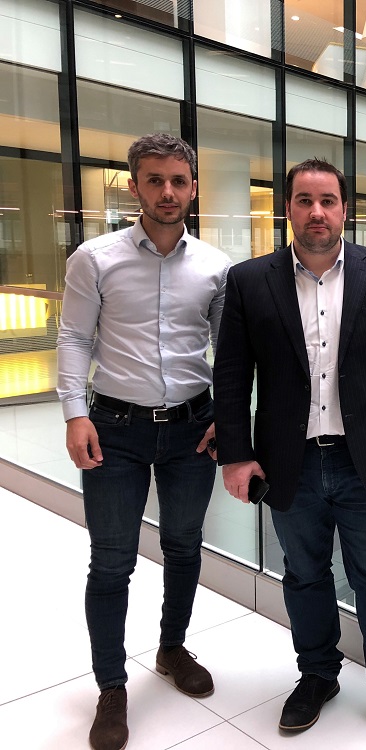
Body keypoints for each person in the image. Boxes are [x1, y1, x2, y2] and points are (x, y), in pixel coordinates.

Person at [212, 159, 366, 750]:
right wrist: (235, 456)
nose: (317, 212)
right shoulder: (250, 280)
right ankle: (317, 677)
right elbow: (231, 375)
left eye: (328, 200)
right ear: (288, 207)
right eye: (305, 200)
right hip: (291, 461)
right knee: (304, 575)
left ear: (344, 209)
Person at [57, 133, 230, 750]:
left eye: (178, 180)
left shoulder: (214, 267)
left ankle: (171, 648)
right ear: (134, 185)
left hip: (192, 430)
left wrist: (229, 419)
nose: (167, 192)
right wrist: (76, 414)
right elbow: (75, 339)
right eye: (154, 180)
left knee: (184, 547)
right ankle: (110, 686)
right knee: (111, 561)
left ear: (192, 187)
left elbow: (230, 356)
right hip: (115, 431)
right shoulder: (94, 258)